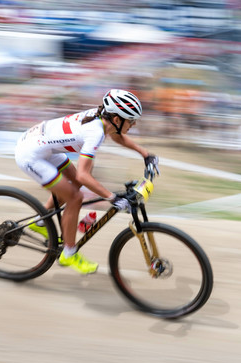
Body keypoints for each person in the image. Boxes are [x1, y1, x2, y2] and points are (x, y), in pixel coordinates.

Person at [15, 89, 159, 275]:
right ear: (117, 119)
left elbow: (117, 135)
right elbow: (84, 175)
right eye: (131, 120)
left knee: (73, 186)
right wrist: (111, 197)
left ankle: (39, 221)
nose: (134, 123)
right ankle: (69, 253)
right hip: (31, 155)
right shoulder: (95, 133)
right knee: (75, 197)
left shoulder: (103, 118)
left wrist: (145, 154)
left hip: (43, 147)